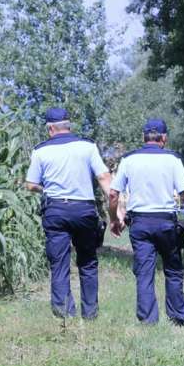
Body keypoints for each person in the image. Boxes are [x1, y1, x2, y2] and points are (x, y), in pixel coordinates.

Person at [108, 118, 184, 326]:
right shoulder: (172, 160)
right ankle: (177, 318)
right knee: (173, 270)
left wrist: (115, 219)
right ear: (164, 138)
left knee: (144, 272)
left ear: (143, 138)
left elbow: (113, 194)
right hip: (166, 223)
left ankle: (148, 321)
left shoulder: (129, 160)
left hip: (140, 223)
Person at [25, 107, 112, 320]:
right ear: (69, 125)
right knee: (88, 261)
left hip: (56, 210)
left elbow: (30, 185)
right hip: (84, 210)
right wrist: (116, 209)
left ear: (50, 128)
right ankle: (90, 313)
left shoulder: (40, 151)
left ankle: (65, 314)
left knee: (59, 263)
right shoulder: (87, 147)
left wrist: (46, 189)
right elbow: (103, 177)